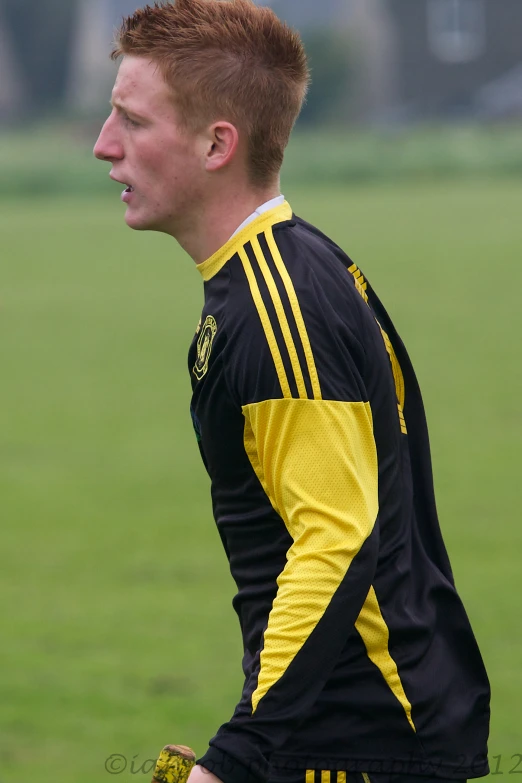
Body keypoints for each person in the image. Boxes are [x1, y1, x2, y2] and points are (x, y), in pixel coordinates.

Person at [93, 2, 490, 783]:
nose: (105, 146)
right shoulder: (273, 274)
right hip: (342, 736)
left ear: (217, 144)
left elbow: (334, 541)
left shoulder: (282, 310)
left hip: (355, 746)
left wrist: (233, 759)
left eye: (132, 122)